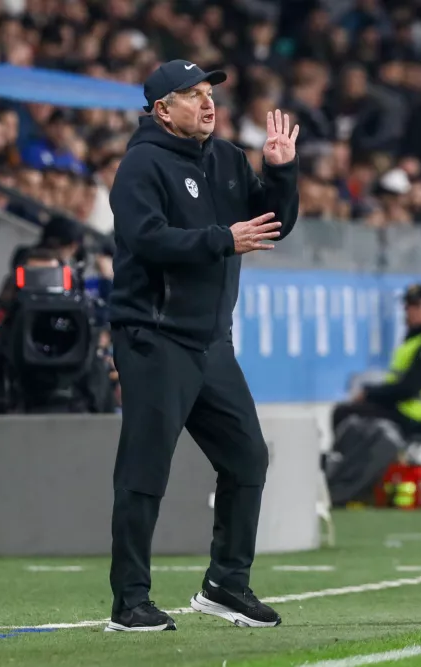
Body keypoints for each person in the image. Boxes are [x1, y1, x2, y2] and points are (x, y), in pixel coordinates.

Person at [106, 60, 299, 632]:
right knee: (145, 469)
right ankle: (129, 602)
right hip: (154, 335)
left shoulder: (228, 159)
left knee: (247, 457)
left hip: (212, 341)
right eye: (192, 94)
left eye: (209, 92)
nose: (208, 102)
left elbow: (270, 224)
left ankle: (226, 585)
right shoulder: (141, 164)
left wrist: (281, 172)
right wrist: (221, 240)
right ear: (162, 110)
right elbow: (145, 237)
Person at [331, 284, 421, 438]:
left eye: (418, 306)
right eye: (408, 306)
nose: (411, 311)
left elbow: (408, 389)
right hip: (408, 412)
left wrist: (369, 394)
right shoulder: (420, 338)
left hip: (417, 418)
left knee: (343, 413)